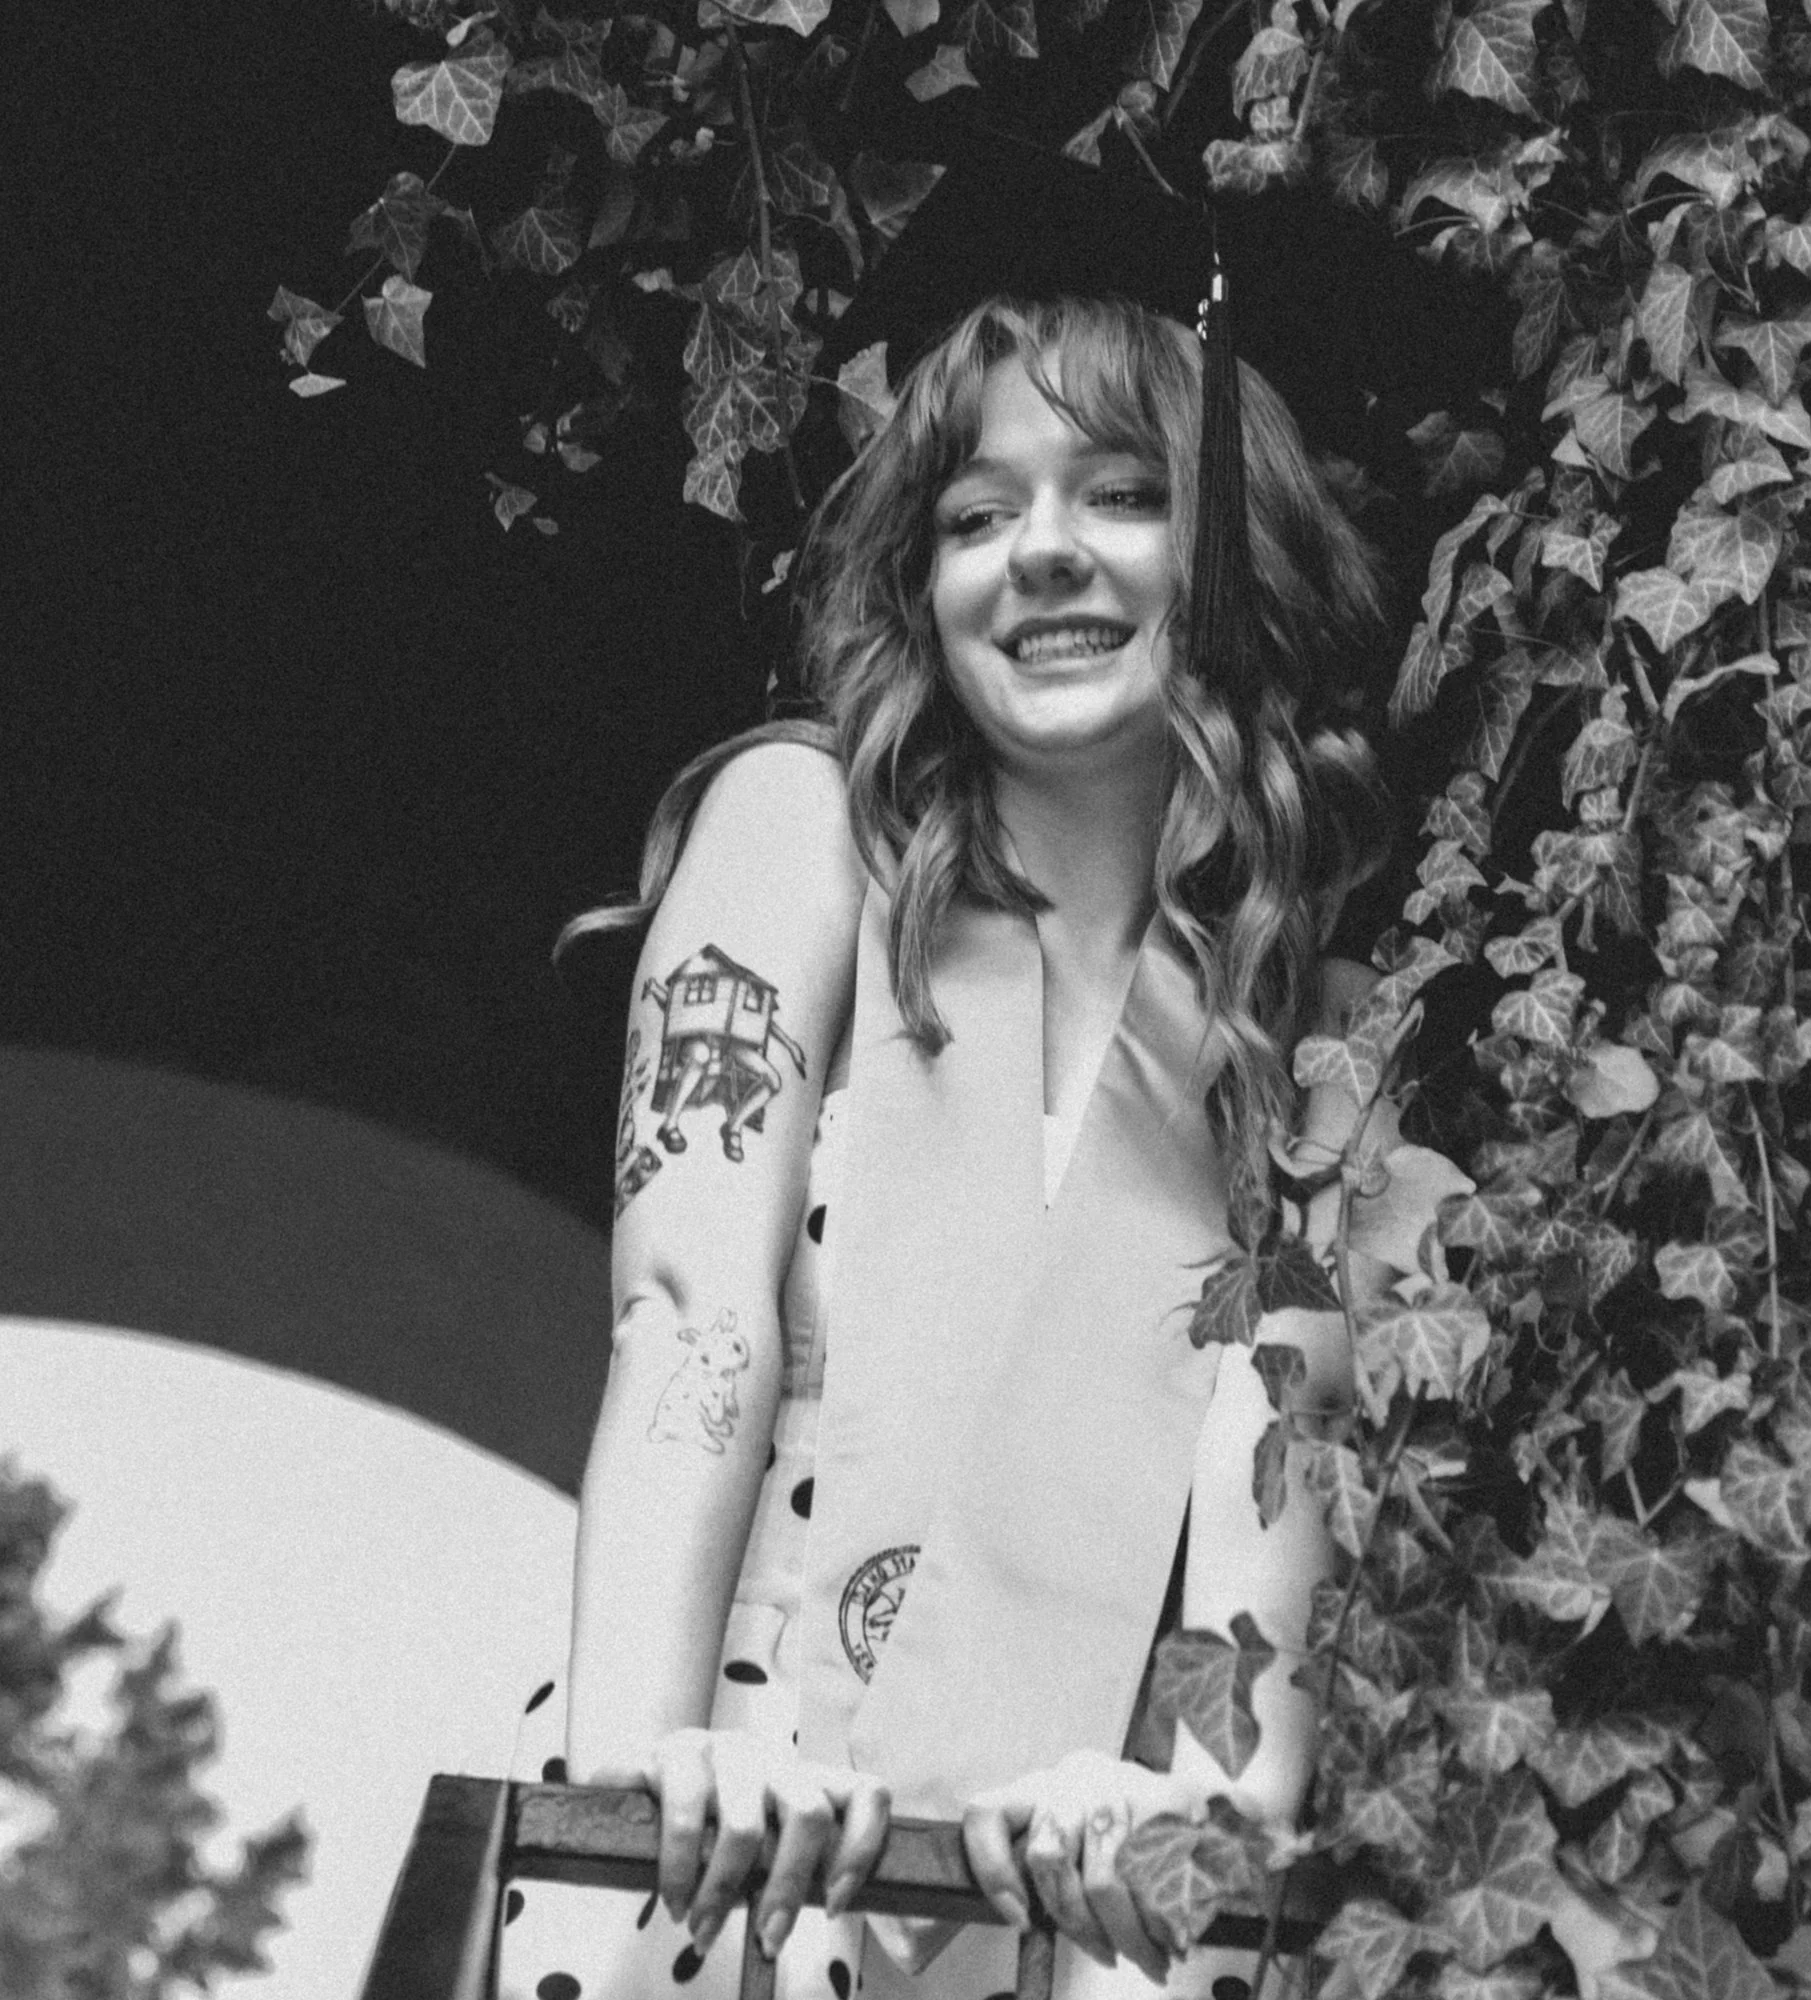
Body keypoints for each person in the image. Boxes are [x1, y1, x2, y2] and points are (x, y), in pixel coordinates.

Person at [506, 287, 1400, 1999]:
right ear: (925, 587)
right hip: (737, 1803)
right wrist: (641, 1773)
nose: (1041, 556)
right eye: (978, 516)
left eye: (1122, 494)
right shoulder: (802, 837)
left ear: (1236, 554)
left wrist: (1197, 1819)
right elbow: (688, 1324)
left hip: (1091, 1876)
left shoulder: (1321, 1011)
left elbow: (1275, 1465)